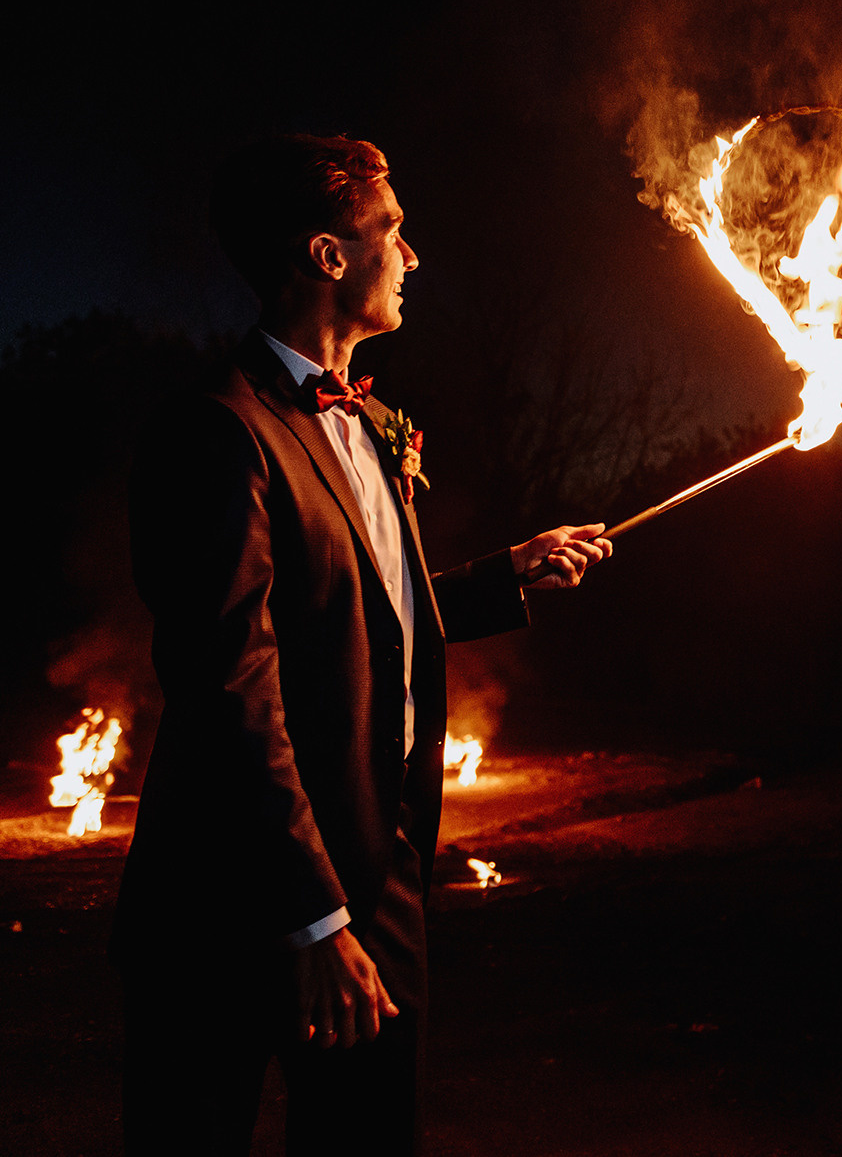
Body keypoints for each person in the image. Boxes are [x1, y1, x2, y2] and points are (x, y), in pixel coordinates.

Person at [114, 133, 613, 1154]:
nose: (413, 255)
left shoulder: (372, 421)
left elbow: (355, 609)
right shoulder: (221, 430)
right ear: (327, 255)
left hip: (376, 881)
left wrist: (503, 576)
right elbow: (231, 686)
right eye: (391, 230)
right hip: (232, 900)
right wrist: (313, 921)